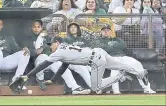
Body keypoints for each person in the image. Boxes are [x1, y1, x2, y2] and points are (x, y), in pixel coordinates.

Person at [11, 36, 148, 93]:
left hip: (95, 61)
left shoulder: (58, 51)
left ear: (57, 43)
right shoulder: (66, 47)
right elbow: (64, 65)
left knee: (96, 87)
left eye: (51, 44)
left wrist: (26, 76)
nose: (50, 46)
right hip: (99, 52)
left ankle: (120, 76)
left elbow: (43, 65)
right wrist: (53, 80)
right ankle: (141, 73)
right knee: (119, 65)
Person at [24, 20, 91, 94]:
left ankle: (92, 86)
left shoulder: (60, 39)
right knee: (46, 58)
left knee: (80, 67)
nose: (54, 31)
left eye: (56, 29)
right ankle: (40, 79)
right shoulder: (42, 37)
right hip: (44, 60)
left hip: (56, 60)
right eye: (52, 29)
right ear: (48, 30)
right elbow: (38, 52)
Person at [91, 25, 156, 94]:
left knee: (138, 66)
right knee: (115, 71)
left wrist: (109, 47)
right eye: (104, 30)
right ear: (101, 32)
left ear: (111, 31)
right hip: (110, 58)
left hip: (123, 57)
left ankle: (147, 89)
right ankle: (116, 91)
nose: (106, 32)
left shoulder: (117, 39)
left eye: (107, 30)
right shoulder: (98, 41)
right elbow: (100, 50)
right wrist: (113, 47)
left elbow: (123, 45)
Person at [64, 22, 92, 88]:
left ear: (78, 29)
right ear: (69, 29)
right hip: (72, 61)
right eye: (71, 27)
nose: (73, 29)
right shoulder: (66, 40)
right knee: (82, 68)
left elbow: (89, 50)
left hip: (84, 59)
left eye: (74, 27)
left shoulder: (83, 40)